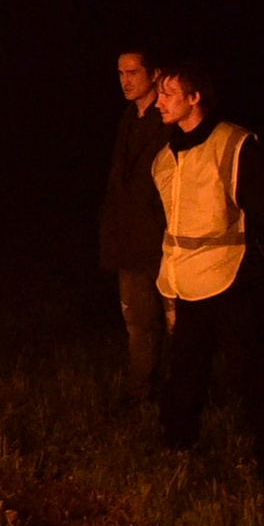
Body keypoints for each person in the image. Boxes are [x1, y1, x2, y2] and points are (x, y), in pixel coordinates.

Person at [151, 62, 264, 485]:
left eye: (169, 93)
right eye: (159, 93)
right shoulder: (164, 157)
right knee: (185, 372)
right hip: (186, 281)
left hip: (233, 282)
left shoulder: (235, 144)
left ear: (195, 98)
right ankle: (177, 446)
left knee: (252, 377)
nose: (159, 101)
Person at [99, 49, 168, 403]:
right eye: (121, 73)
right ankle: (140, 393)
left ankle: (179, 392)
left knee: (174, 321)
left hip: (162, 239)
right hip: (130, 240)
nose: (125, 80)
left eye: (133, 73)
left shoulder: (167, 118)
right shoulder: (129, 117)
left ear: (154, 74)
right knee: (137, 323)